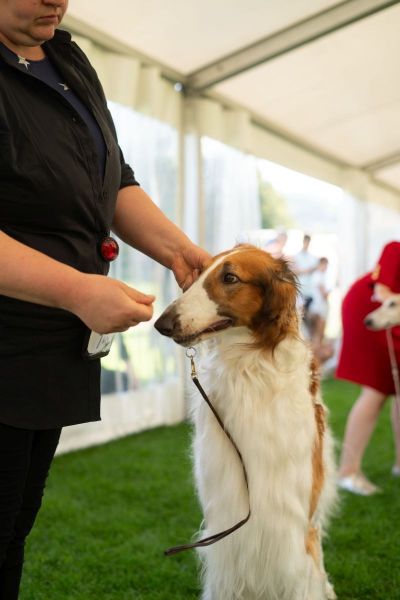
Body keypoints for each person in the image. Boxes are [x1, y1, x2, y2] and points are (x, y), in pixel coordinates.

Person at [0, 2, 211, 598]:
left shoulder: (66, 57)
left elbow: (111, 178)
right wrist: (76, 289)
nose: (55, 1)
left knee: (14, 528)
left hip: (50, 344)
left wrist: (179, 251)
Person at [336, 241, 400, 496]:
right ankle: (347, 473)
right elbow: (382, 292)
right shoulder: (395, 248)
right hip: (370, 312)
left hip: (393, 318)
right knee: (377, 389)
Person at [308, 257, 333, 363]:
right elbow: (324, 293)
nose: (325, 267)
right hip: (319, 308)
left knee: (317, 335)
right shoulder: (319, 276)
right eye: (324, 265)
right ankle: (315, 360)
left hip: (318, 308)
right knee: (318, 334)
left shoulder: (318, 276)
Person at [292, 234, 319, 319]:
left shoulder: (312, 257)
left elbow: (316, 269)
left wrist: (304, 271)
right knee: (301, 312)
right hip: (300, 288)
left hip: (309, 289)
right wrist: (306, 270)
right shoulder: (296, 256)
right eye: (306, 241)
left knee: (308, 314)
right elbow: (294, 271)